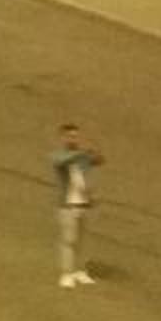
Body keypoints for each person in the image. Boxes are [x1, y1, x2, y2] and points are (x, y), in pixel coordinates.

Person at [52, 123, 101, 287]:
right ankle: (66, 274)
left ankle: (81, 271)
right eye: (70, 136)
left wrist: (94, 149)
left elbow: (100, 160)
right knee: (68, 240)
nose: (74, 138)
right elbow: (62, 161)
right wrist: (81, 152)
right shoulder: (59, 155)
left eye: (76, 136)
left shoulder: (82, 158)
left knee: (84, 241)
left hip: (84, 204)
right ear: (63, 138)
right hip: (67, 206)